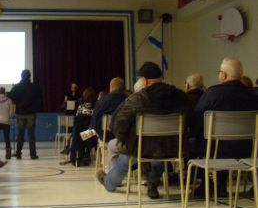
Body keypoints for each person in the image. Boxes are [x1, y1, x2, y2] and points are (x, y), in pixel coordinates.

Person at [97, 61, 192, 199]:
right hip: (174, 148)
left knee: (128, 155)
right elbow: (191, 118)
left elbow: (117, 123)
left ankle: (109, 183)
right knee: (158, 152)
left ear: (145, 81)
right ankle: (153, 183)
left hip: (142, 148)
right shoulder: (181, 96)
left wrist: (125, 139)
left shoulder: (138, 99)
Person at [193, 58, 258, 196]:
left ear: (223, 75)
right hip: (248, 150)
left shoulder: (212, 93)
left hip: (215, 150)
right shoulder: (253, 95)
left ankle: (208, 185)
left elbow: (197, 118)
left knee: (199, 140)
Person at [9, 69, 42, 160]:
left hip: (20, 113)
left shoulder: (16, 87)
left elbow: (11, 96)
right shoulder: (34, 87)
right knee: (31, 135)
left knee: (20, 135)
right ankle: (32, 154)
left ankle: (18, 154)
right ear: (29, 76)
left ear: (21, 76)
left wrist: (18, 102)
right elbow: (39, 99)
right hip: (31, 113)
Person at [68, 87, 97, 166]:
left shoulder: (80, 107)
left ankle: (81, 155)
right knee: (92, 131)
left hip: (79, 136)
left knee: (80, 133)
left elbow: (76, 123)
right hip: (90, 136)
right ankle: (87, 155)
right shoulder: (95, 108)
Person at [0, 86, 13, 160]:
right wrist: (10, 120)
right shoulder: (9, 100)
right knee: (7, 138)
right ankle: (8, 155)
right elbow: (11, 112)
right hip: (6, 121)